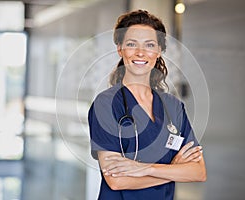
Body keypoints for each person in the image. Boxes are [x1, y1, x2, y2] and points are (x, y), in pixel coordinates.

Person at [88, 10, 206, 200]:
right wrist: (173, 170)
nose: (140, 53)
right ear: (120, 49)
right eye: (131, 44)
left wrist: (143, 169)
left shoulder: (173, 106)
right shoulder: (106, 104)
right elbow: (116, 181)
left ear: (159, 51)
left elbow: (198, 172)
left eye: (149, 45)